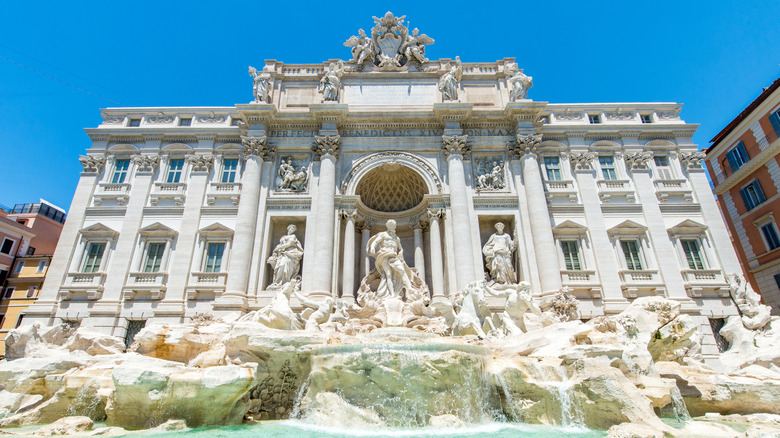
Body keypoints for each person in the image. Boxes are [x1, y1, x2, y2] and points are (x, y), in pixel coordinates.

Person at [367, 219, 414, 299]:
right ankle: (392, 294)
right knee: (388, 275)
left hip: (394, 256)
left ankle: (409, 288)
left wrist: (401, 253)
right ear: (388, 226)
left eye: (394, 226)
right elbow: (375, 242)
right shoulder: (383, 234)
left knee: (402, 270)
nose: (392, 227)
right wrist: (372, 248)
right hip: (384, 255)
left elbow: (400, 248)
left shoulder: (396, 238)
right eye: (391, 226)